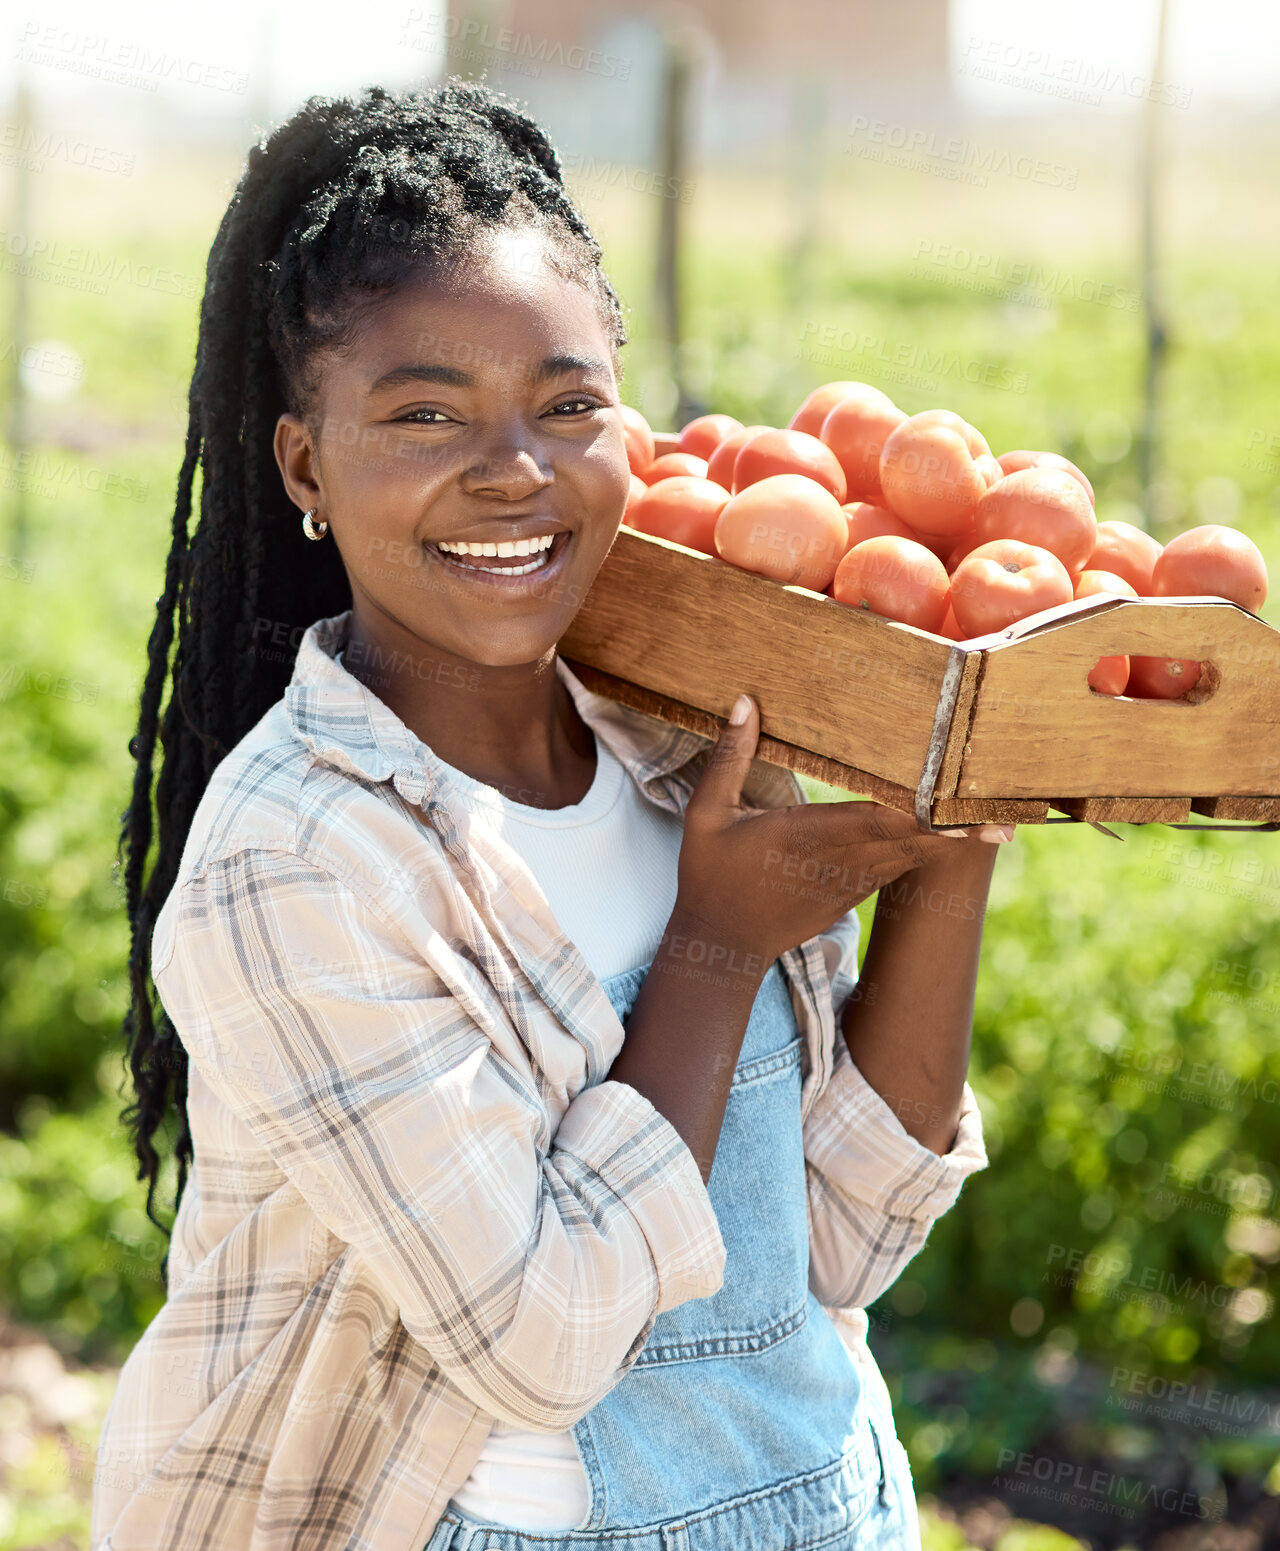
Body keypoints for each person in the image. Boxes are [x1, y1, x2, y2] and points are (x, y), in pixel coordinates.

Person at [96, 78, 1005, 1551]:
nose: (514, 471)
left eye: (569, 403)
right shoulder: (300, 859)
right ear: (306, 464)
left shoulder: (684, 749)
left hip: (832, 1510)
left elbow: (839, 1246)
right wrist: (713, 946)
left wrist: (954, 843)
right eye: (425, 414)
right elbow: (540, 1340)